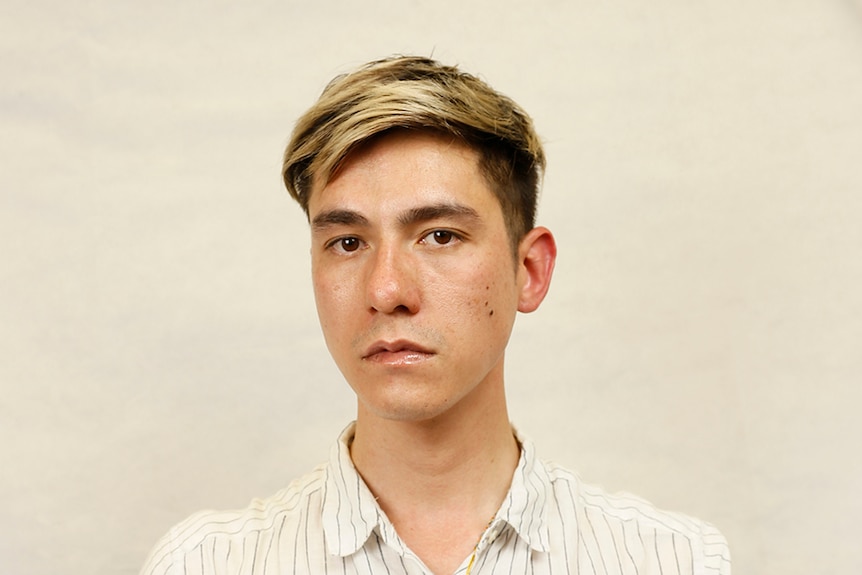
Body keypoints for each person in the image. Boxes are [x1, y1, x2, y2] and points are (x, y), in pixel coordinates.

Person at [140, 55, 731, 575]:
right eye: (347, 242)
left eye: (440, 235)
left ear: (529, 271)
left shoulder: (673, 561)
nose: (387, 288)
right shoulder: (203, 565)